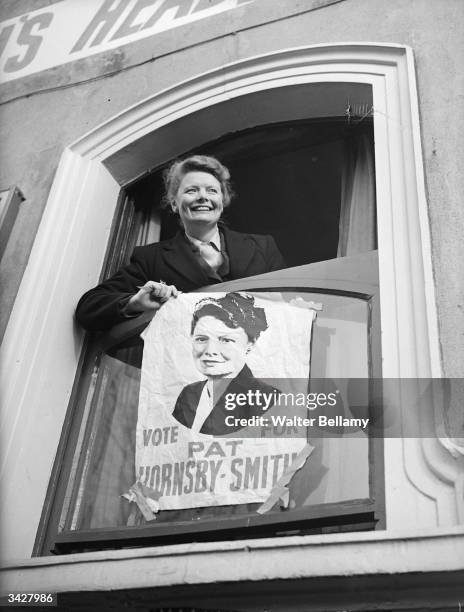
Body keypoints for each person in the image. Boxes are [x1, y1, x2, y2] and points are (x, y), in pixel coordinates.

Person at [76, 155, 285, 331]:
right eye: (191, 190)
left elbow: (291, 305)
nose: (203, 197)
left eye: (212, 190)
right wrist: (135, 303)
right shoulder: (151, 258)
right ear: (175, 203)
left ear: (223, 200)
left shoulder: (263, 247)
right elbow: (89, 307)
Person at [172, 292, 279, 435]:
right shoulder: (188, 394)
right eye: (202, 339)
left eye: (225, 340)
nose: (210, 351)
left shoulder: (268, 399)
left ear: (250, 344)